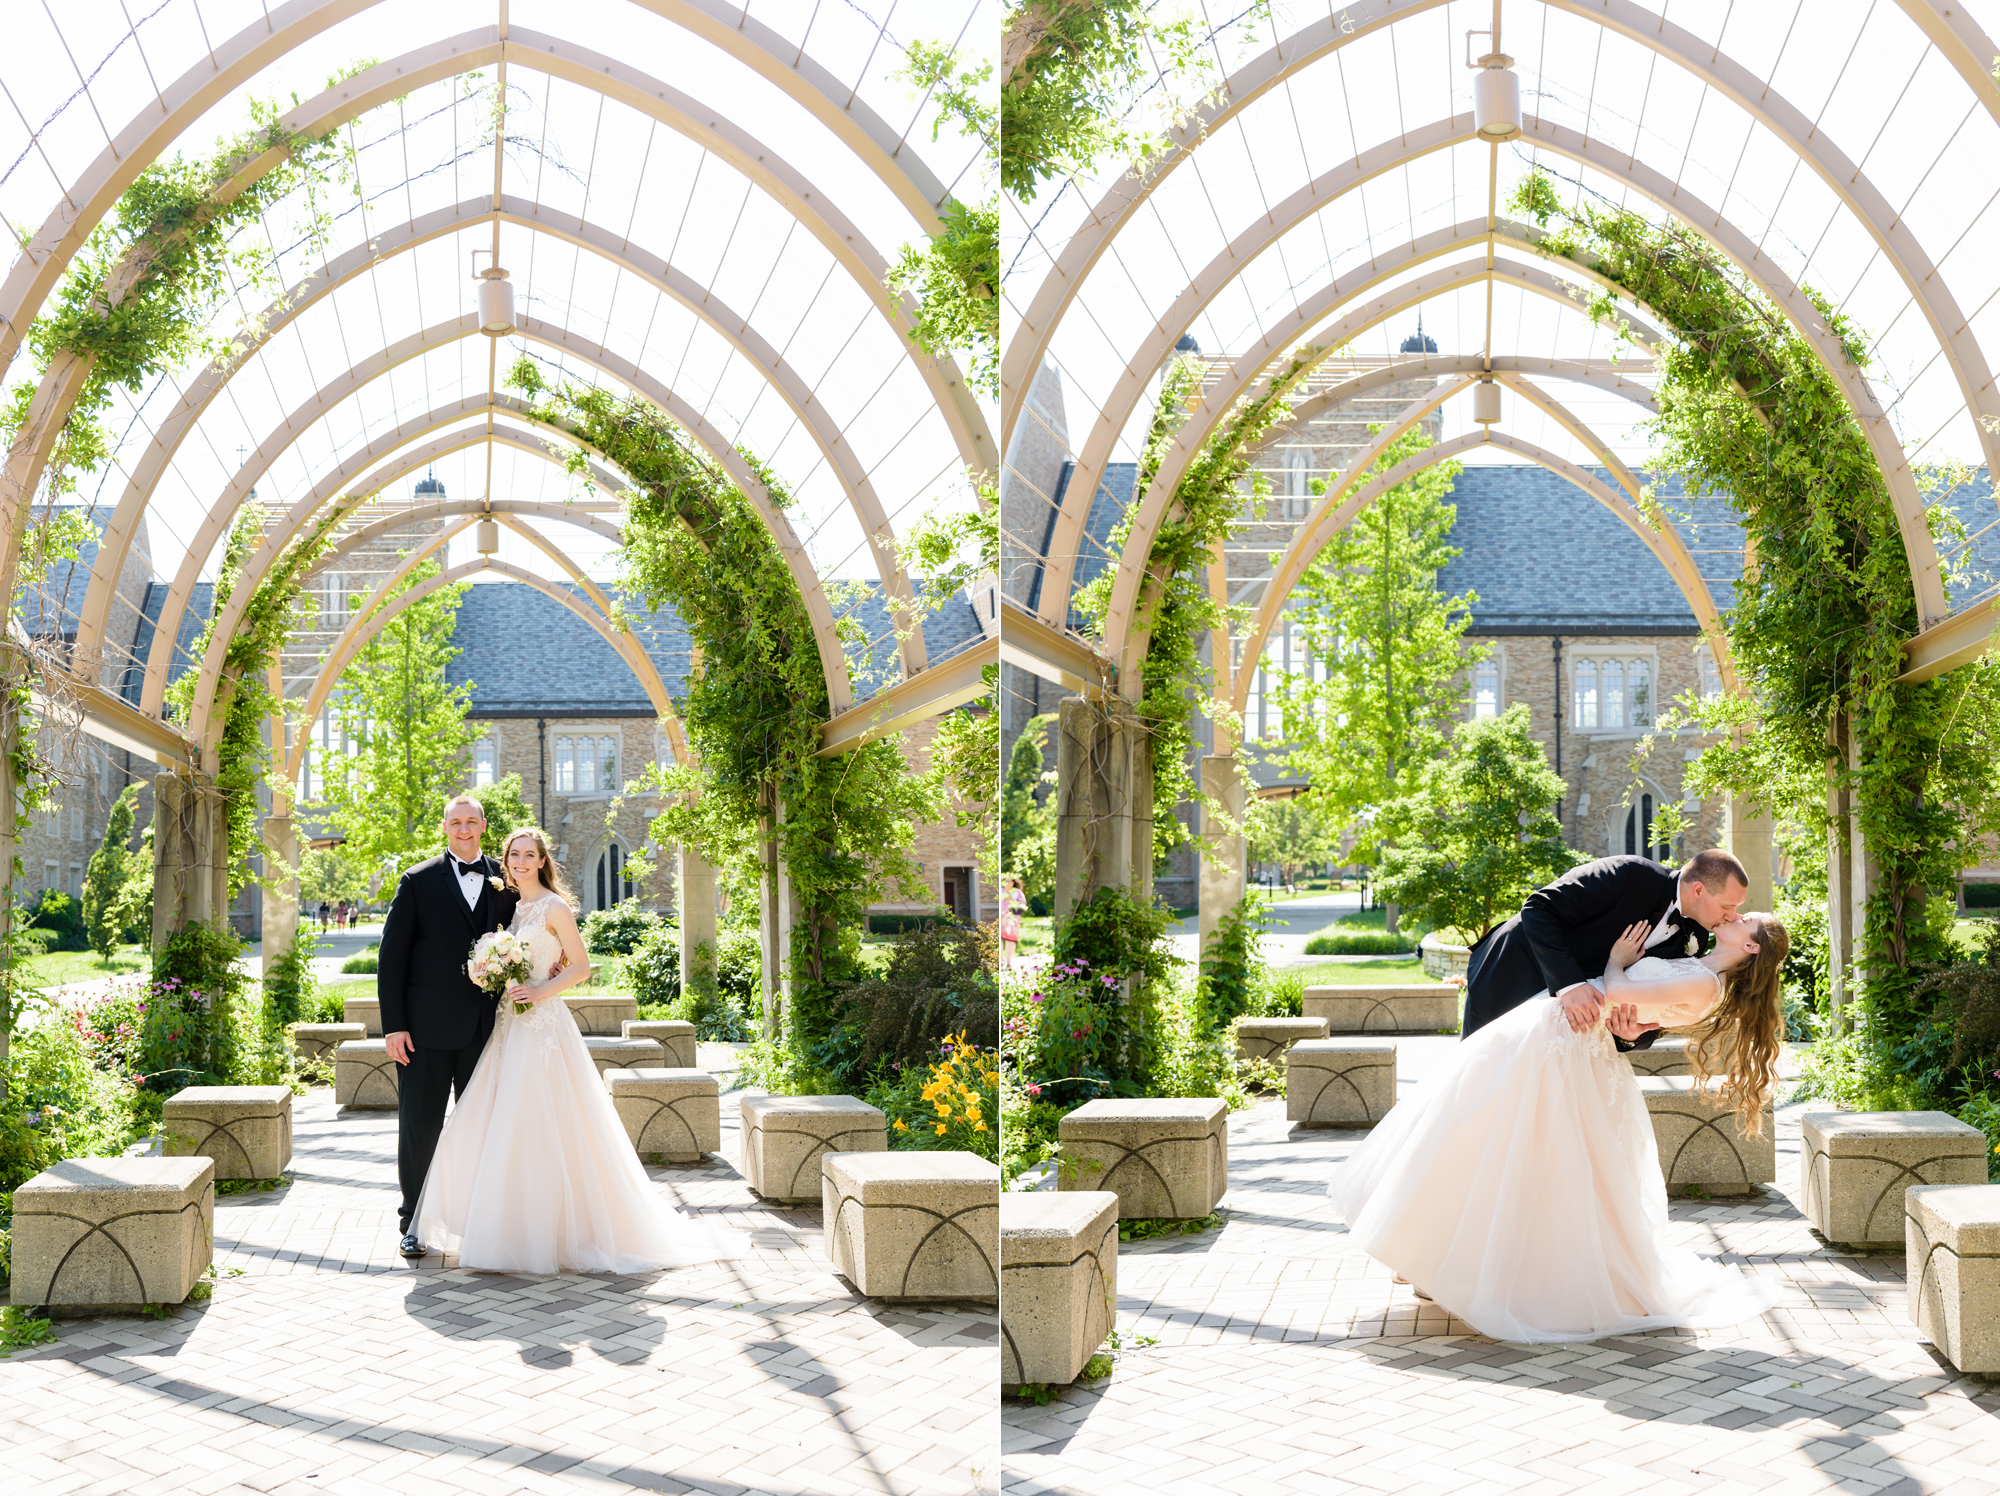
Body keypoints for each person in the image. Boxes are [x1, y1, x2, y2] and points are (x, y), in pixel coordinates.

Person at [1328, 902, 1789, 1343]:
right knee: (1478, 1132)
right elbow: (1637, 1018)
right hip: (1562, 1032)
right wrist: (1633, 1021)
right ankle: (1435, 1253)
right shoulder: (1695, 962)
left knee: (1522, 1150)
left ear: (1751, 947)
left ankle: (1484, 1268)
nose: (1738, 915)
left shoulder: (1708, 985)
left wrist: (1617, 960)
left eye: (1747, 920)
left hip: (1568, 1043)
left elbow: (1622, 992)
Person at [411, 826, 746, 1273]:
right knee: (504, 1120)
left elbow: (582, 967)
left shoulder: (554, 906)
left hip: (543, 1027)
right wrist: (488, 971)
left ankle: (561, 1232)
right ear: (506, 860)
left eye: (530, 855)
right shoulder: (513, 907)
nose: (521, 862)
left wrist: (541, 991)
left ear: (543, 861)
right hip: (510, 1025)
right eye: (514, 855)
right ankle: (509, 1227)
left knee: (546, 1121)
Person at [377, 796, 519, 1258]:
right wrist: (394, 1026)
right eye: (455, 822)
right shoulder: (417, 881)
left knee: (486, 1129)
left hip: (489, 1031)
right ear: (444, 827)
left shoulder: (508, 880)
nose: (463, 829)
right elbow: (391, 960)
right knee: (420, 1128)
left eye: (471, 821)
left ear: (483, 825)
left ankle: (481, 1221)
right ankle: (413, 1221)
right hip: (424, 1032)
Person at [1462, 849, 1750, 1052]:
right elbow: (1538, 908)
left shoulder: (1697, 935)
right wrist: (1570, 985)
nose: (1732, 916)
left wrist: (1632, 1036)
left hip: (1567, 1032)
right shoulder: (1630, 874)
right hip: (1511, 975)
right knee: (1481, 1090)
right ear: (1698, 890)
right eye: (1727, 906)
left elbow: (1660, 1000)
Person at [999, 874, 1027, 969]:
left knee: (1011, 939)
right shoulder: (1000, 892)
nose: (1008, 883)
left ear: (1013, 882)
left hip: (1012, 919)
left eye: (1010, 881)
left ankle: (1008, 961)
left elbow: (1023, 904)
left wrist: (1012, 900)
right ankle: (1000, 958)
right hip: (1001, 918)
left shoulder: (1017, 892)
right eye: (1005, 881)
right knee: (998, 938)